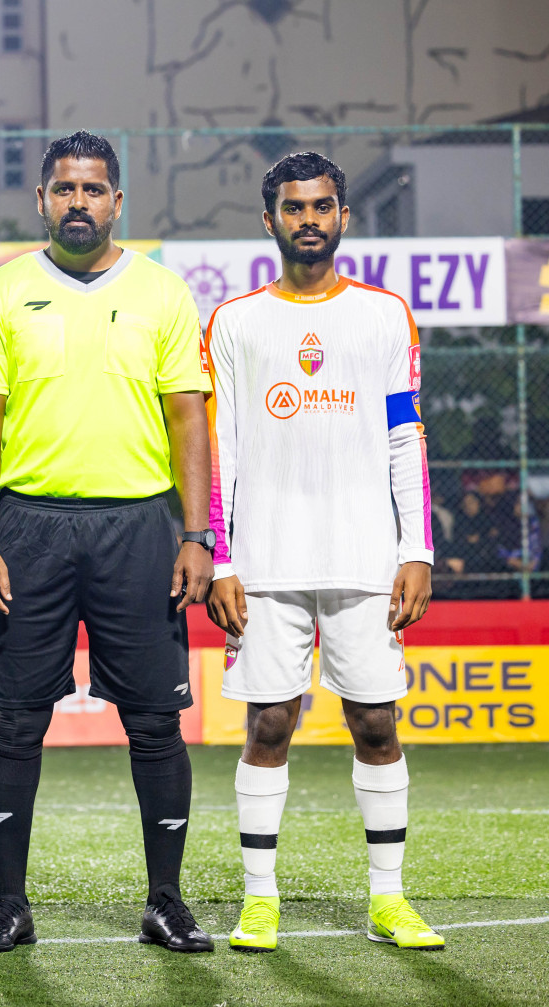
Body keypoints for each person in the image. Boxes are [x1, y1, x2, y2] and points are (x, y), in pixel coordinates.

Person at [0, 131, 215, 954]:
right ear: (40, 200)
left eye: (93, 189)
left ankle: (166, 901)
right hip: (27, 528)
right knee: (16, 721)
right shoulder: (1, 293)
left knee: (155, 723)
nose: (78, 202)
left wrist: (198, 535)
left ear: (116, 202)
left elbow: (188, 422)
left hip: (138, 528)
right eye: (63, 189)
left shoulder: (164, 294)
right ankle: (7, 903)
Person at [205, 151, 442, 952]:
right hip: (266, 564)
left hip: (364, 559)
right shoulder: (236, 320)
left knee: (376, 723)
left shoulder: (383, 314)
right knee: (268, 724)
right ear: (269, 219)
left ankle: (389, 898)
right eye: (295, 207)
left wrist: (417, 548)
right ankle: (259, 900)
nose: (310, 219)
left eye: (324, 206)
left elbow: (405, 436)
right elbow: (221, 446)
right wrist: (224, 558)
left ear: (344, 216)